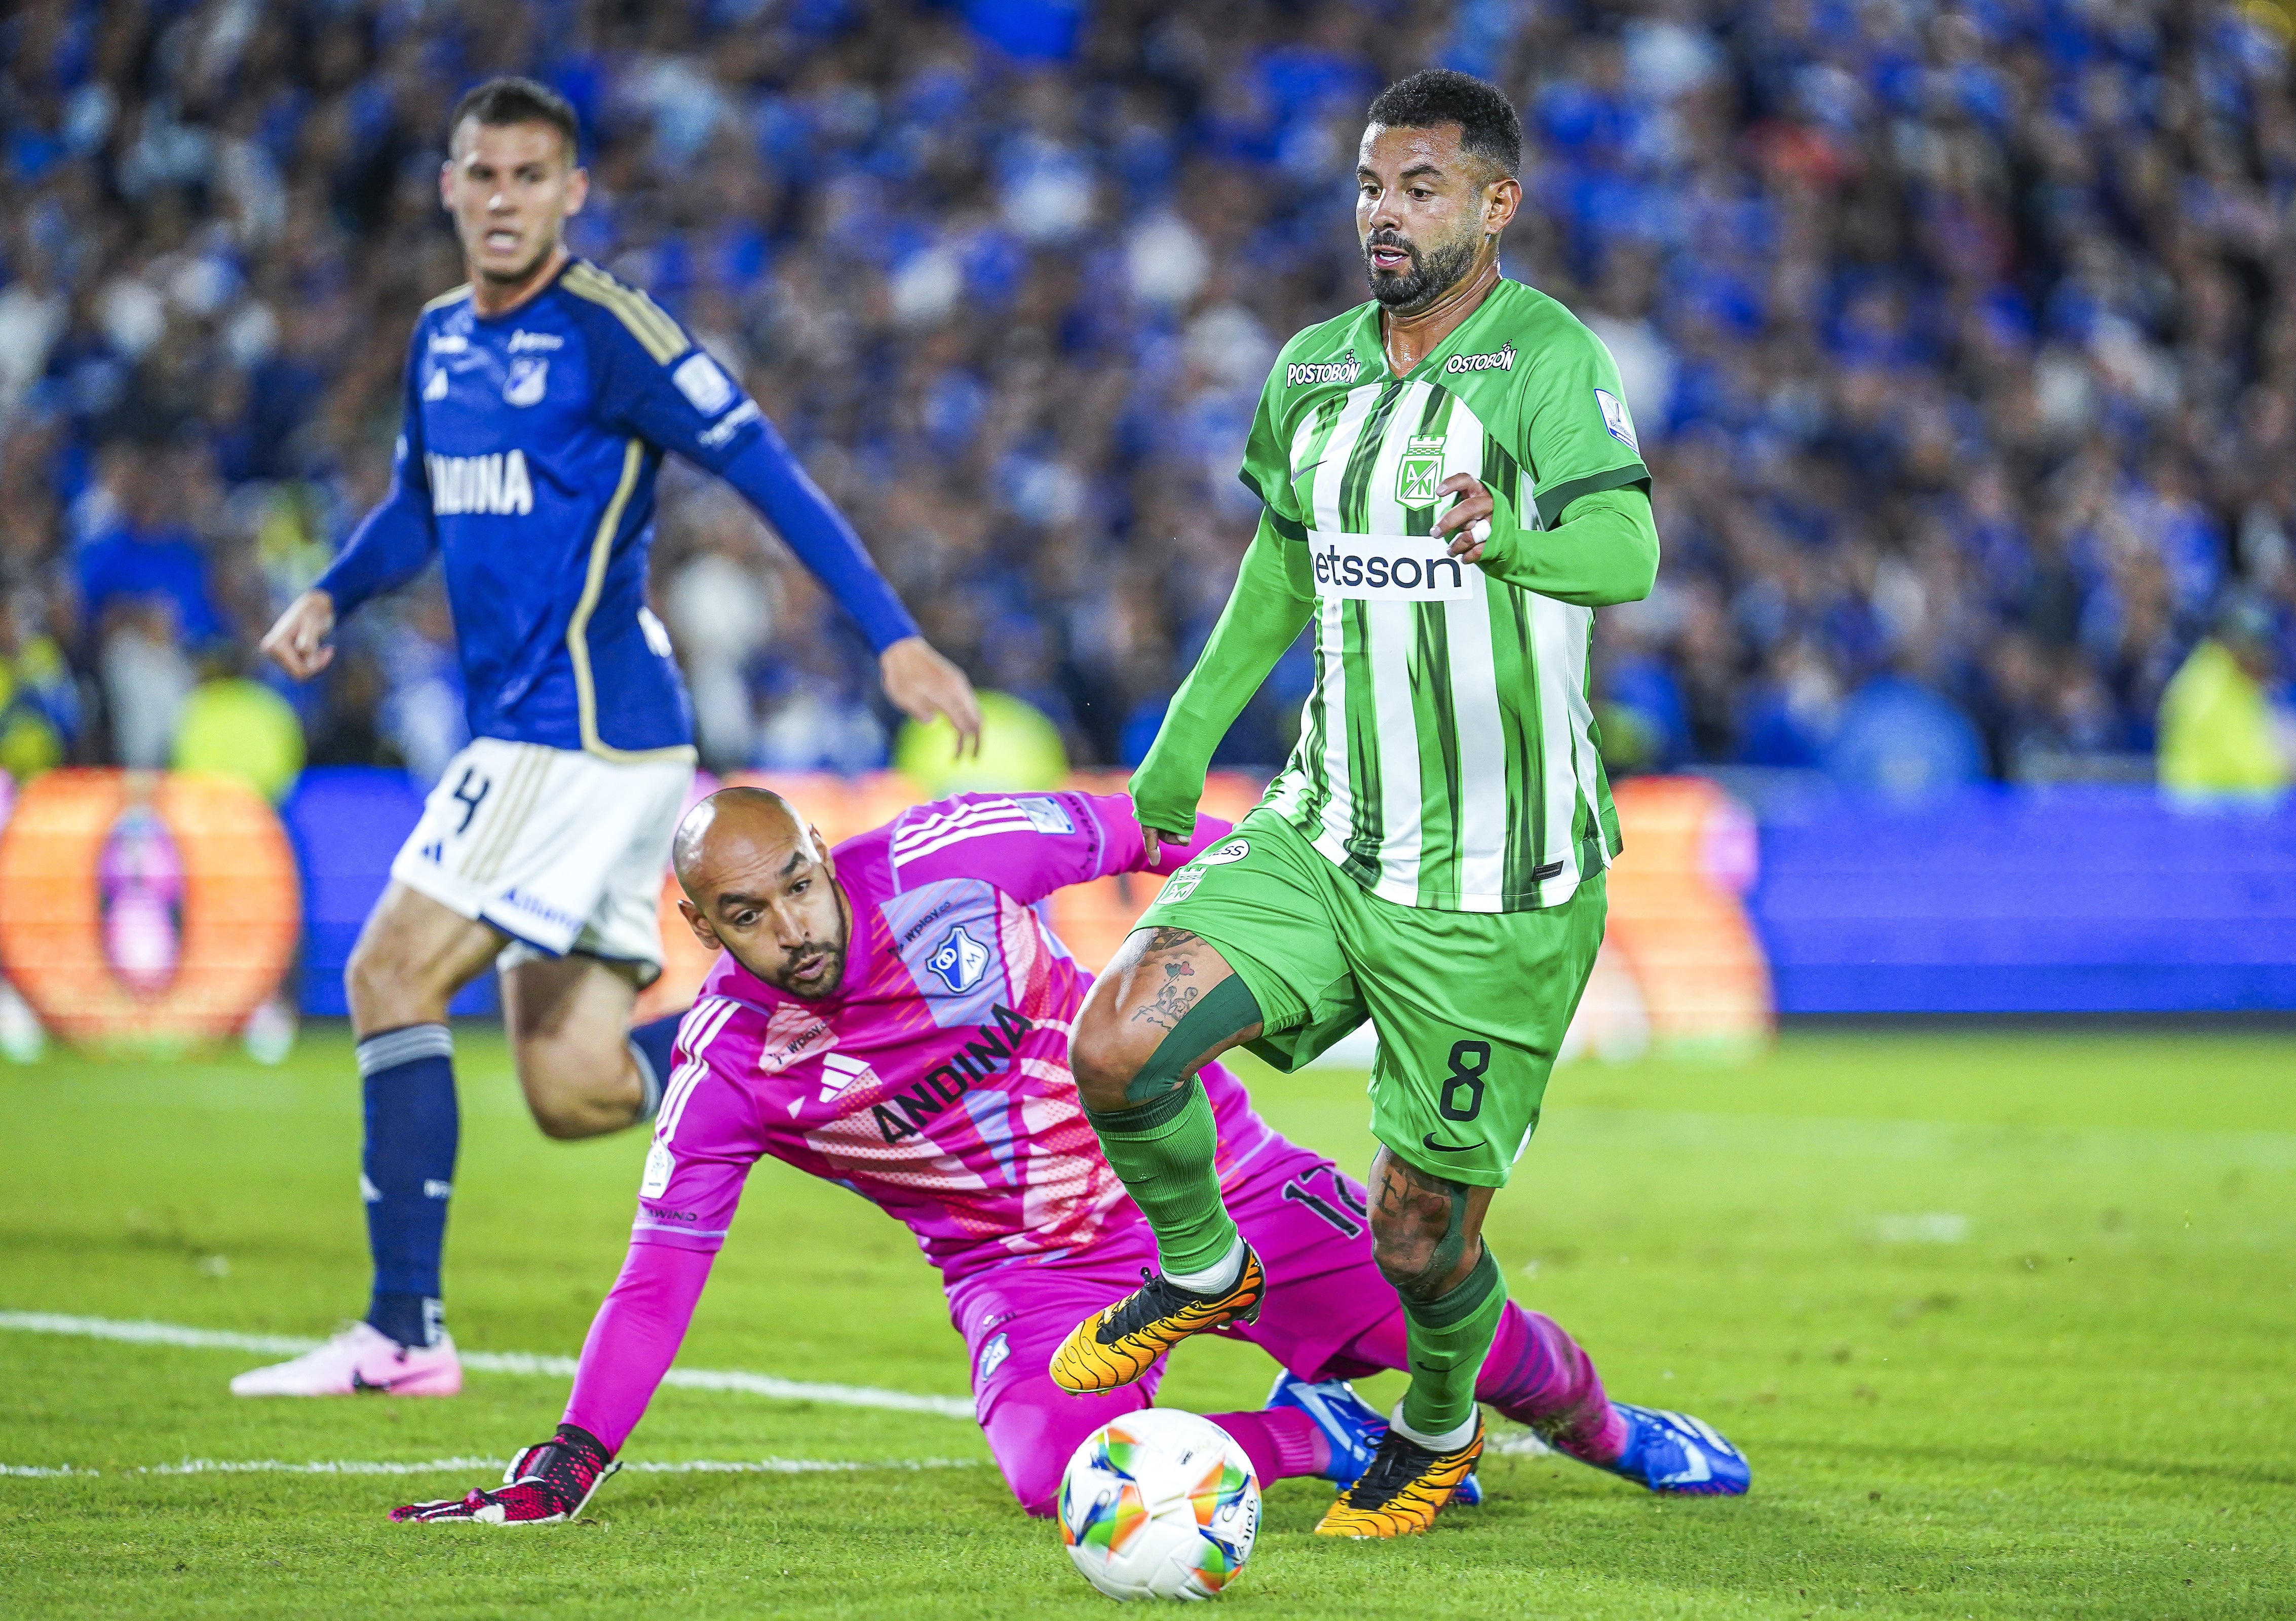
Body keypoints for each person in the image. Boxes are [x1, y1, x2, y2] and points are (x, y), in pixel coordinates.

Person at [388, 787, 1738, 1525]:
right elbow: (659, 1275)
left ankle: (1616, 1433)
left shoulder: (949, 857)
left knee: (1468, 1325)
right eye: (746, 915)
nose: (794, 927)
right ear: (697, 924)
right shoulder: (728, 1074)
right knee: (1057, 1476)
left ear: (818, 852)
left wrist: (1305, 930)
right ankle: (1310, 1432)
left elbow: (1148, 833)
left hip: (1221, 1183)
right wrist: (575, 1451)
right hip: (1029, 1279)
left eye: (799, 883)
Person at [234, 78, 981, 1398]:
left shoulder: (613, 332)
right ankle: (796, 1031)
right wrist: (334, 594)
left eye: (531, 177)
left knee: (387, 976)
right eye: (483, 175)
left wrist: (891, 633)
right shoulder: (437, 341)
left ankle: (403, 1335)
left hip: (581, 729)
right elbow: (418, 501)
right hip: (533, 730)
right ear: (451, 186)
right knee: (574, 1088)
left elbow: (765, 471)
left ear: (572, 191)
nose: (504, 199)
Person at [1050, 69, 1703, 1538]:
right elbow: (1283, 563)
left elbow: (1627, 550)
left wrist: (1516, 539)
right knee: (1117, 1046)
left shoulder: (1545, 359)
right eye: (1370, 186)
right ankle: (1208, 1268)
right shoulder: (1315, 371)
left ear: (1495, 203)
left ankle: (1437, 1424)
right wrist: (1181, 740)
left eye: (1419, 188)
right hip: (1327, 830)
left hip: (1495, 887)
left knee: (1419, 1238)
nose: (1385, 214)